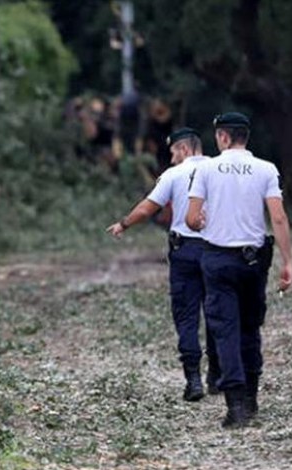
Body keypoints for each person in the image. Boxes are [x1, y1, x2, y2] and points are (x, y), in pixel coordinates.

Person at [186, 112, 292, 428]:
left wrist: (201, 220)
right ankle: (252, 397)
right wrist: (288, 261)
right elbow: (278, 218)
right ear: (246, 137)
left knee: (225, 330)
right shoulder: (266, 169)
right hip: (253, 260)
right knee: (250, 328)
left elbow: (192, 218)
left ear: (222, 137)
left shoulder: (205, 169)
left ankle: (235, 406)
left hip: (218, 260)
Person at [107, 127, 220, 402]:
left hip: (184, 252)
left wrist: (123, 224)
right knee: (218, 312)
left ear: (183, 149)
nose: (171, 159)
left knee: (186, 316)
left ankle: (193, 379)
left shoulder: (173, 174)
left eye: (172, 153)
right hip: (218, 251)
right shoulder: (220, 170)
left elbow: (148, 208)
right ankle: (217, 376)